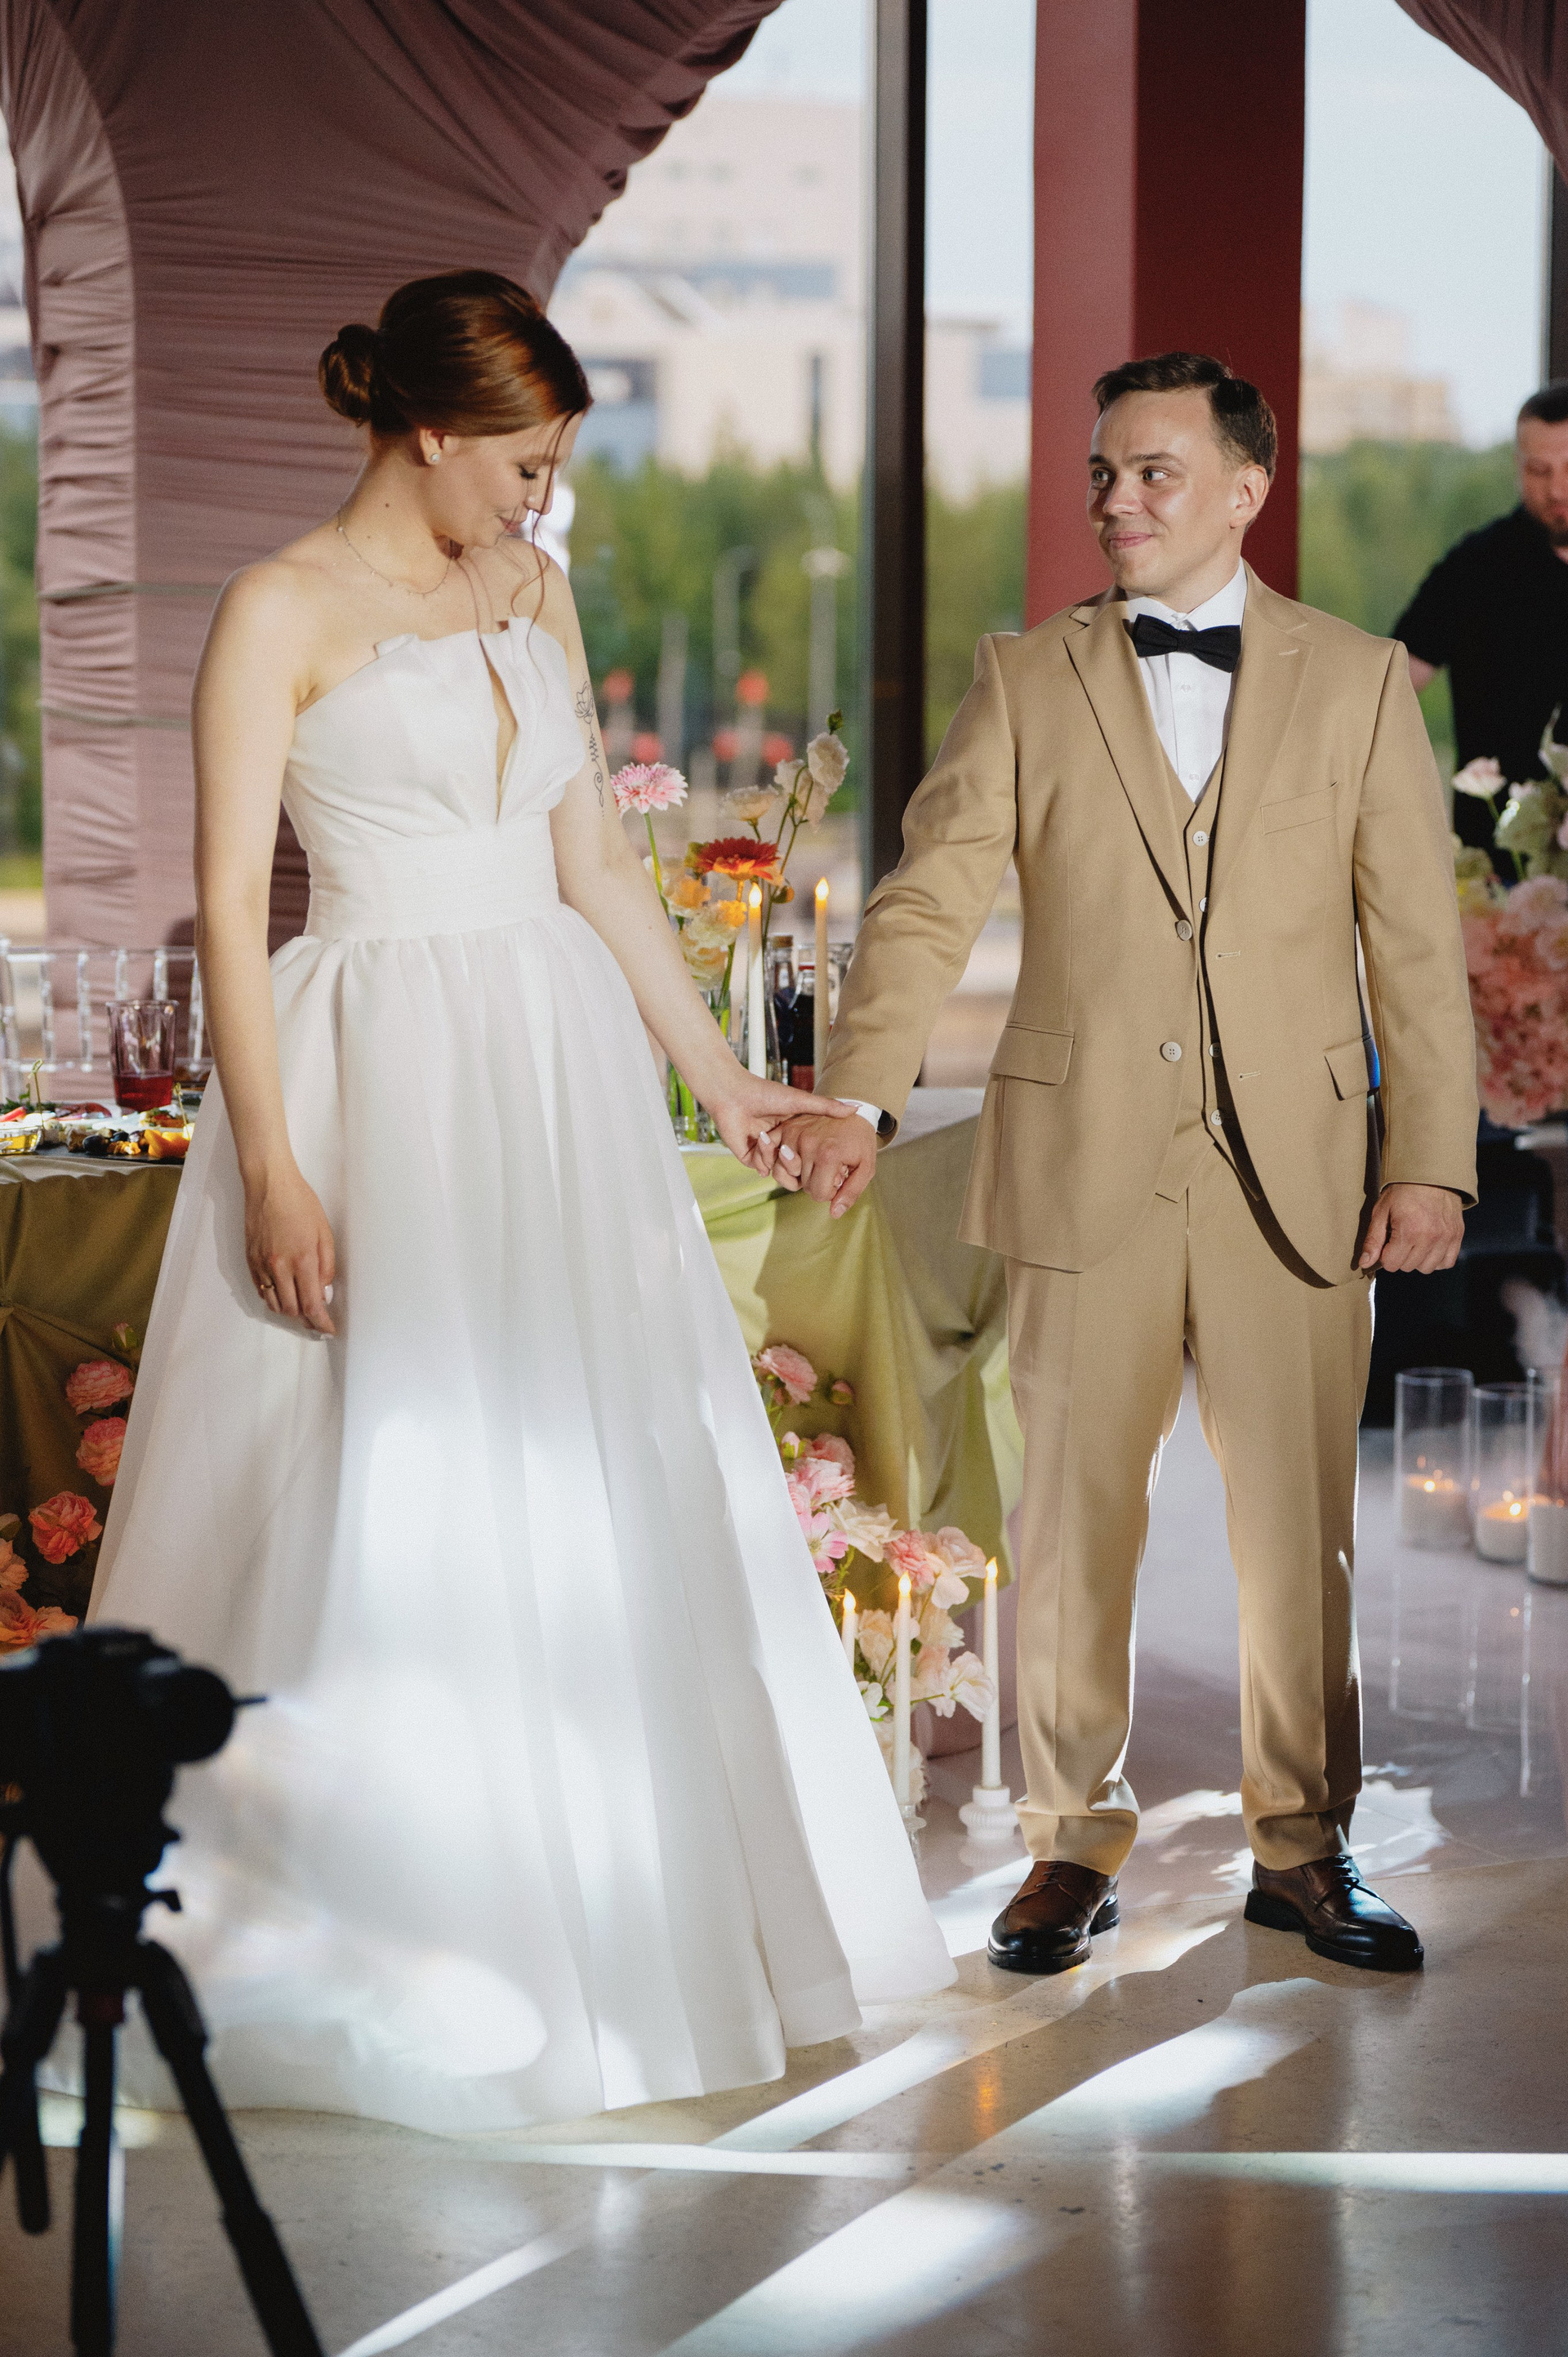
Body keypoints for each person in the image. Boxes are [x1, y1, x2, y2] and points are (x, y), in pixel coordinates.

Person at [87, 270, 952, 2135]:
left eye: (550, 468)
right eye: (524, 464)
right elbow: (233, 908)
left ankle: (606, 1929)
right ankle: (358, 1934)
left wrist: (725, 1083)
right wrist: (276, 1163)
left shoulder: (532, 594)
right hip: (373, 1065)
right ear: (428, 430)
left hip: (551, 1074)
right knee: (372, 1476)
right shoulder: (278, 609)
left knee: (577, 1467)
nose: (538, 500)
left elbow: (603, 874)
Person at [778, 351, 1477, 1978]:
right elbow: (927, 902)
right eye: (1103, 473)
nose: (1117, 500)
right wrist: (858, 1097)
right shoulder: (1027, 676)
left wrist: (1430, 1161)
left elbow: (1415, 948)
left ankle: (1302, 1844)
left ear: (1246, 488)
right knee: (1074, 1526)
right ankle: (1066, 1845)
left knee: (1300, 1531)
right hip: (1080, 1158)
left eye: (1154, 471)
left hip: (1299, 1176)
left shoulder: (1362, 680)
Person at [1395, 380, 1568, 848]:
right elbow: (1392, 683)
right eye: (1539, 470)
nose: (1557, 489)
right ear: (1517, 467)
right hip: (1495, 861)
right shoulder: (1474, 567)